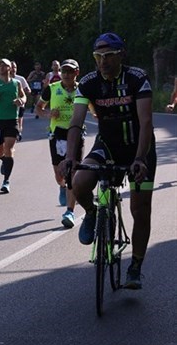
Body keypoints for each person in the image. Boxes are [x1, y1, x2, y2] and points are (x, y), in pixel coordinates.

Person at [62, 33, 157, 290]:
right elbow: (76, 122)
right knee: (79, 181)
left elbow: (146, 122)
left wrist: (140, 159)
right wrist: (70, 157)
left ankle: (135, 265)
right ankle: (93, 213)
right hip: (107, 146)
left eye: (108, 56)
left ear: (121, 55)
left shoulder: (137, 78)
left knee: (140, 210)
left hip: (139, 148)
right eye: (98, 57)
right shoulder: (89, 83)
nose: (103, 61)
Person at [36, 59, 83, 227]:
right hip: (57, 135)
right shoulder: (52, 89)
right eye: (64, 72)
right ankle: (62, 186)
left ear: (77, 72)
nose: (67, 75)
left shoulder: (82, 89)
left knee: (73, 173)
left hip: (76, 134)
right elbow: (39, 108)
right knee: (59, 173)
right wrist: (49, 114)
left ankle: (69, 211)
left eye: (70, 71)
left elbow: (94, 109)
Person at [0, 58, 26, 193]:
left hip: (11, 121)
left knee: (9, 148)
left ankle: (6, 181)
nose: (1, 67)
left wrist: (21, 101)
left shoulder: (16, 83)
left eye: (4, 65)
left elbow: (24, 97)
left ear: (9, 68)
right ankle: (4, 161)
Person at [10, 61, 32, 139]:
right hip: (9, 104)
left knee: (19, 119)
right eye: (12, 67)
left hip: (20, 103)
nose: (14, 69)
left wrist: (22, 91)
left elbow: (28, 90)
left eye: (15, 67)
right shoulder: (4, 79)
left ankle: (19, 132)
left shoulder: (20, 79)